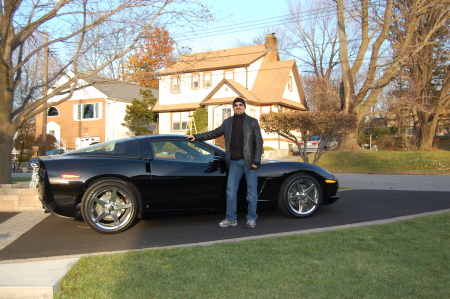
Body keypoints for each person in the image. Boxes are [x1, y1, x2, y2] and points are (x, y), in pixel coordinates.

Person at [186, 97, 263, 228]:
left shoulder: (252, 122)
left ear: (244, 107)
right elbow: (214, 133)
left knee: (251, 192)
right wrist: (197, 136)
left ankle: (251, 218)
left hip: (249, 162)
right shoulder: (228, 122)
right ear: (233, 108)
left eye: (240, 105)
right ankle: (231, 218)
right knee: (230, 191)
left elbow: (258, 142)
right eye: (235, 105)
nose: (238, 107)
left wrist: (256, 160)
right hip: (233, 163)